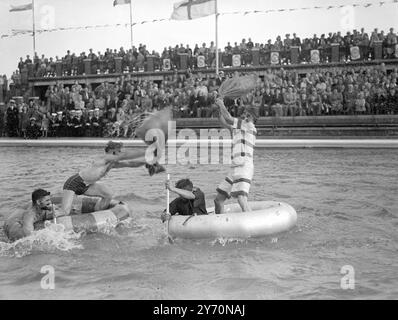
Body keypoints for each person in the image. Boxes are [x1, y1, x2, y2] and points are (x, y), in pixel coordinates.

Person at [59, 140, 165, 217]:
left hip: (85, 186)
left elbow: (131, 163)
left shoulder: (111, 164)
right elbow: (127, 156)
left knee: (108, 194)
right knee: (65, 212)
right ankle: (47, 216)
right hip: (74, 183)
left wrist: (147, 161)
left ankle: (97, 215)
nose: (121, 153)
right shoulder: (104, 158)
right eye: (120, 151)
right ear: (113, 151)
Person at [213, 98, 257, 214]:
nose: (243, 115)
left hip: (244, 166)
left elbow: (228, 118)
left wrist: (222, 104)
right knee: (218, 200)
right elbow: (224, 122)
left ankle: (251, 224)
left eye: (246, 114)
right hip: (234, 167)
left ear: (251, 117)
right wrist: (218, 110)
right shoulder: (238, 128)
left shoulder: (249, 125)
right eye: (243, 113)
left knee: (241, 198)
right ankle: (219, 224)